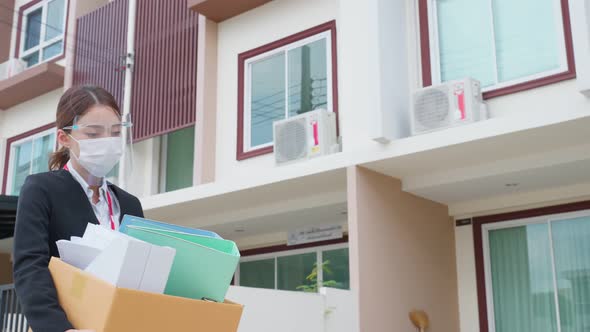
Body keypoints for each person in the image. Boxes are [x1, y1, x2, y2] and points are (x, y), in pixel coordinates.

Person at [12, 85, 144, 332]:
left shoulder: (130, 204)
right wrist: (60, 328)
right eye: (94, 134)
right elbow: (30, 265)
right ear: (64, 138)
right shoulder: (41, 189)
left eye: (115, 133)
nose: (107, 142)